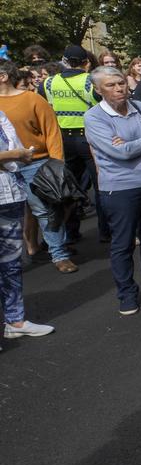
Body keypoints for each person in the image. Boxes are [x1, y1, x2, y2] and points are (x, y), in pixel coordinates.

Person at [83, 67, 141, 315]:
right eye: (110, 85)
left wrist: (133, 145)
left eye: (120, 83)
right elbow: (119, 153)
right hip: (120, 188)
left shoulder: (140, 107)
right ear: (98, 90)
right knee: (123, 243)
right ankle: (126, 294)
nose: (118, 89)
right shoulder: (94, 117)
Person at [0, 62, 74, 272]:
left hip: (35, 163)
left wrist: (57, 163)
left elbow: (51, 130)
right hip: (3, 168)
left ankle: (59, 255)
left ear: (3, 76)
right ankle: (21, 254)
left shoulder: (32, 99)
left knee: (45, 210)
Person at [0, 109, 55, 346]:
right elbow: (16, 152)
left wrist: (18, 155)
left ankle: (15, 321)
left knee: (10, 264)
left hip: (10, 194)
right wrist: (14, 154)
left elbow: (20, 151)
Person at [41, 45, 104, 246]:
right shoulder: (90, 81)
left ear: (64, 61)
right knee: (101, 186)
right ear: (86, 62)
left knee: (67, 188)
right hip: (90, 139)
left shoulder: (48, 83)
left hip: (62, 140)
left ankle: (71, 232)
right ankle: (106, 231)